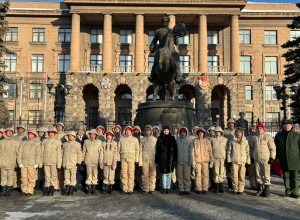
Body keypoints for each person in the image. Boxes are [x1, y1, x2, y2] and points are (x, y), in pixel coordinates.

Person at [148, 16, 182, 83]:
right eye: (163, 21)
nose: (165, 23)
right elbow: (154, 41)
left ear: (168, 22)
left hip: (171, 50)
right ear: (162, 22)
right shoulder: (158, 31)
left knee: (177, 61)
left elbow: (177, 43)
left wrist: (176, 37)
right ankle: (152, 75)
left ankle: (178, 76)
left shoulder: (172, 31)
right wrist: (152, 47)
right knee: (156, 61)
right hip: (161, 49)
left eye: (166, 21)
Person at [275, 119, 300, 198]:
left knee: (295, 176)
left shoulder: (296, 135)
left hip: (295, 159)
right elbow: (276, 148)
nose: (287, 126)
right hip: (284, 159)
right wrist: (277, 157)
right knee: (286, 176)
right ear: (283, 126)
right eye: (285, 125)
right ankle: (288, 191)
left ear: (291, 126)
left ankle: (295, 191)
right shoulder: (279, 135)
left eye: (288, 125)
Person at [253, 124, 276, 197]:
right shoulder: (254, 137)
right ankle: (260, 189)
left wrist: (272, 158)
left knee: (266, 174)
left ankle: (266, 190)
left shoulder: (268, 137)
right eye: (258, 128)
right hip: (257, 158)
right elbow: (251, 147)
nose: (259, 129)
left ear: (263, 129)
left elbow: (272, 148)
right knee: (258, 174)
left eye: (261, 128)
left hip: (265, 158)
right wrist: (251, 156)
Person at [227, 127, 250, 195]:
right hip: (234, 161)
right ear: (235, 133)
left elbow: (248, 152)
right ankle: (235, 189)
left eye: (240, 132)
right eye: (237, 132)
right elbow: (229, 151)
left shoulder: (245, 141)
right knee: (234, 176)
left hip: (242, 161)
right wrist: (229, 160)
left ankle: (241, 190)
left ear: (242, 133)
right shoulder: (232, 141)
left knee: (242, 176)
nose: (238, 133)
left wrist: (248, 161)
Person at [18, 130, 41, 196]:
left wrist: (37, 163)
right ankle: (24, 190)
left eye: (31, 134)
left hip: (32, 163)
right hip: (24, 163)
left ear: (34, 135)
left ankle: (30, 191)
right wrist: (20, 163)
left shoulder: (37, 143)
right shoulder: (24, 143)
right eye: (29, 134)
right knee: (23, 178)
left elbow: (38, 154)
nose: (30, 136)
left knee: (31, 178)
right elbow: (20, 153)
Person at [155, 125, 177, 194]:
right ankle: (164, 188)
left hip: (170, 159)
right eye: (164, 130)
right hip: (162, 160)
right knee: (164, 175)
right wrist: (157, 159)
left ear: (169, 131)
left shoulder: (172, 138)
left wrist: (175, 159)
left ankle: (168, 187)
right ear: (163, 131)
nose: (166, 131)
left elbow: (175, 150)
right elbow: (157, 150)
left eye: (167, 130)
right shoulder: (160, 138)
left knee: (169, 174)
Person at [119, 126, 141, 195]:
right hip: (123, 158)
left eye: (129, 130)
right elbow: (118, 149)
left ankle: (130, 189)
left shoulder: (135, 139)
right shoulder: (121, 139)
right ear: (125, 131)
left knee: (131, 174)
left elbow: (137, 150)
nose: (127, 132)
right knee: (123, 174)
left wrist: (136, 159)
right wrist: (118, 158)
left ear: (131, 132)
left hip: (131, 158)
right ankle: (124, 188)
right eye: (126, 130)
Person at [0, 128, 21, 196]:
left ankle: (8, 191)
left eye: (10, 132)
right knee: (3, 176)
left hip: (11, 162)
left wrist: (19, 162)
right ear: (5, 133)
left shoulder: (16, 142)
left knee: (10, 177)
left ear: (12, 133)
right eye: (8, 132)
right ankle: (3, 191)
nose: (9, 133)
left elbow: (19, 153)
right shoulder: (1, 142)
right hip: (2, 162)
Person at [41, 127, 62, 196]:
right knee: (47, 175)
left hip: (54, 161)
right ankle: (47, 187)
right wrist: (40, 162)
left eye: (52, 132)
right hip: (46, 160)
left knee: (53, 175)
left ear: (55, 133)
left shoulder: (58, 141)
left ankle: (52, 188)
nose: (51, 133)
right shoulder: (45, 141)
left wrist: (59, 163)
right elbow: (42, 152)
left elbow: (59, 153)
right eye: (50, 132)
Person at [193, 127, 213, 194]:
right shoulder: (194, 141)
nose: (200, 134)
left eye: (202, 133)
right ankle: (198, 188)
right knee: (198, 175)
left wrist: (211, 160)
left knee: (205, 175)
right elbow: (192, 151)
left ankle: (205, 188)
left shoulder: (207, 141)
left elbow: (210, 151)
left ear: (204, 134)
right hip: (197, 160)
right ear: (198, 134)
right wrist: (193, 160)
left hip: (205, 160)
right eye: (199, 133)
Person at [61, 131, 82, 196]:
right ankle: (67, 188)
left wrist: (79, 161)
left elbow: (80, 154)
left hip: (73, 163)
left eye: (71, 136)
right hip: (66, 163)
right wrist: (62, 162)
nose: (70, 137)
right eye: (69, 136)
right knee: (66, 176)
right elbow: (62, 153)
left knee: (72, 177)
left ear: (74, 137)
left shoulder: (77, 144)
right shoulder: (64, 144)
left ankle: (71, 189)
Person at [83, 129, 102, 195]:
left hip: (95, 160)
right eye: (91, 134)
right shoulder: (86, 142)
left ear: (96, 135)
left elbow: (101, 152)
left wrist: (100, 160)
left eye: (94, 134)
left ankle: (93, 188)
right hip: (88, 160)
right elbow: (83, 152)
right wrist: (82, 159)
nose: (92, 135)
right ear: (89, 135)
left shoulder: (99, 142)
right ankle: (89, 187)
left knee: (95, 174)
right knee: (88, 174)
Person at [176, 127, 194, 195]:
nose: (183, 133)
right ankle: (181, 189)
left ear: (186, 133)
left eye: (184, 132)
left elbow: (190, 152)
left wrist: (190, 161)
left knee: (186, 176)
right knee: (180, 176)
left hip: (186, 161)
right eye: (181, 132)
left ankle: (187, 189)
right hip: (179, 161)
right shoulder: (177, 140)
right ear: (180, 133)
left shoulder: (189, 141)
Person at [140, 125, 157, 194]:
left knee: (152, 174)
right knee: (145, 175)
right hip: (144, 159)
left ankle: (152, 188)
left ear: (151, 131)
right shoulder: (142, 139)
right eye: (146, 130)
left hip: (152, 159)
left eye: (149, 130)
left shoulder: (154, 139)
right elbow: (140, 150)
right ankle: (145, 188)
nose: (148, 132)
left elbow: (157, 150)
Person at [211, 126, 228, 193]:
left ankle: (221, 186)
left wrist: (226, 158)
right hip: (215, 158)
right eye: (216, 132)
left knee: (221, 172)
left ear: (221, 132)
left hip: (222, 158)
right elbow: (211, 149)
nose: (217, 133)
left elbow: (226, 149)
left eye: (219, 132)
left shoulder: (225, 140)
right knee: (216, 172)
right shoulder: (212, 140)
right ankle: (217, 187)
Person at [13, 124, 27, 192]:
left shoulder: (26, 138)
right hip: (15, 155)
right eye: (19, 128)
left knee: (22, 171)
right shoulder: (14, 137)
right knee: (15, 171)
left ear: (24, 130)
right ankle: (16, 184)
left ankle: (21, 185)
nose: (20, 130)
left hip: (23, 156)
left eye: (21, 129)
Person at [223, 118, 236, 190]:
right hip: (227, 151)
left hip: (235, 152)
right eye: (230, 123)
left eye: (232, 123)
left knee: (234, 169)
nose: (231, 125)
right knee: (228, 169)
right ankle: (229, 184)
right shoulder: (224, 131)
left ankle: (235, 184)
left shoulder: (237, 131)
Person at [75, 125, 88, 191]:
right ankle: (77, 184)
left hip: (83, 157)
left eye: (81, 131)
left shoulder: (86, 138)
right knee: (77, 171)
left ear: (84, 132)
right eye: (79, 130)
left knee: (83, 171)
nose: (80, 132)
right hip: (76, 157)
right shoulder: (75, 138)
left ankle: (83, 184)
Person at [246, 125, 258, 190]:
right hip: (250, 156)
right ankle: (252, 185)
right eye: (251, 129)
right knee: (251, 173)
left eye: (254, 129)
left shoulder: (257, 137)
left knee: (257, 172)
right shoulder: (246, 138)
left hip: (257, 156)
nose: (252, 131)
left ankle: (258, 185)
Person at [55, 122, 66, 191]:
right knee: (55, 170)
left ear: (62, 127)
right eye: (57, 126)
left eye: (60, 126)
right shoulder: (54, 135)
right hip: (54, 154)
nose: (58, 127)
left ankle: (61, 184)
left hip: (62, 154)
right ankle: (56, 186)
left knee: (61, 170)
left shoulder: (65, 135)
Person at [113, 125, 122, 190]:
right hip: (112, 156)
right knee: (113, 170)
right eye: (115, 129)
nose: (116, 130)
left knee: (118, 170)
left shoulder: (121, 137)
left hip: (119, 156)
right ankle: (113, 183)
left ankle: (118, 184)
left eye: (118, 129)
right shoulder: (112, 136)